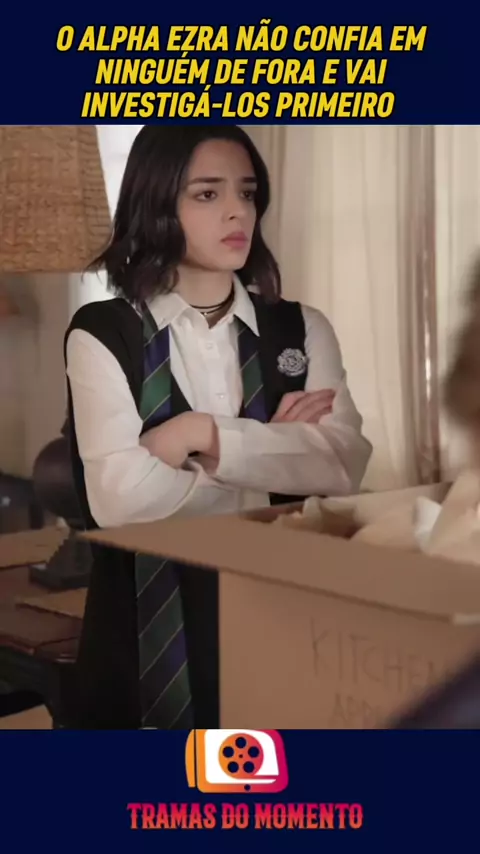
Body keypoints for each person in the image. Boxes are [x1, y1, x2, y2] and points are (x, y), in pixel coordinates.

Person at [64, 125, 372, 730]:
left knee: (270, 777)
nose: (237, 211)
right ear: (157, 205)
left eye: (247, 193)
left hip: (281, 613)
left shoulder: (301, 328)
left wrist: (198, 435)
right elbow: (119, 501)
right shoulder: (102, 332)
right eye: (207, 194)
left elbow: (343, 464)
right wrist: (271, 463)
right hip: (144, 634)